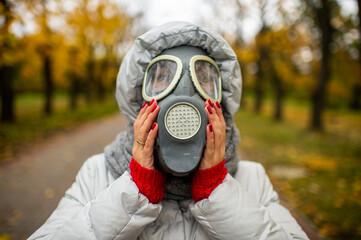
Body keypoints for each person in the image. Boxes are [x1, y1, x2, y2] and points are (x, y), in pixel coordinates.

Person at [29, 21, 309, 240]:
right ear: (139, 100)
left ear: (221, 103)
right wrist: (133, 191)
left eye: (204, 79)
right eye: (162, 77)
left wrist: (218, 192)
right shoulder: (99, 173)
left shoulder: (251, 179)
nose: (184, 93)